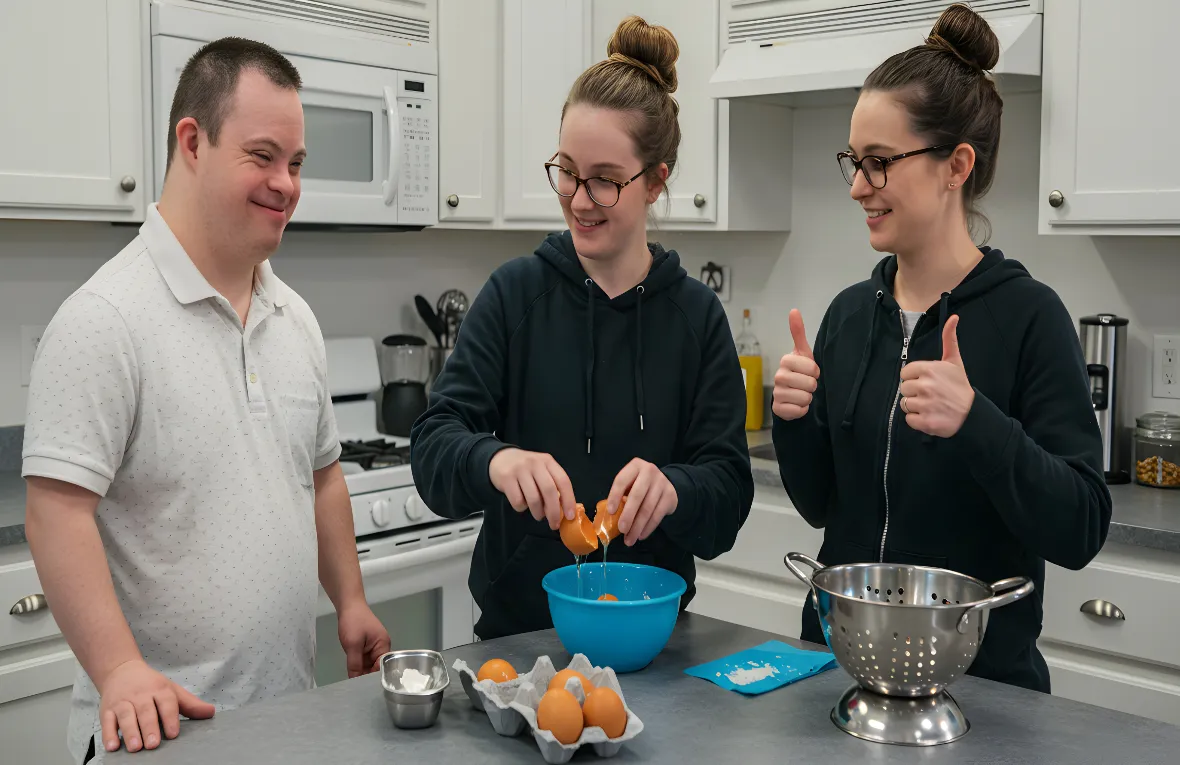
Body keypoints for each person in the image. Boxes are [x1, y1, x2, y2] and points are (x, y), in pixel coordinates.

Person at [22, 38, 390, 763]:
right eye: (263, 155)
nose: (286, 183)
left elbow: (321, 477)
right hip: (158, 733)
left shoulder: (296, 319)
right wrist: (119, 669)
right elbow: (54, 512)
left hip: (286, 718)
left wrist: (349, 600)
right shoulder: (105, 318)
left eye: (297, 163)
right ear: (192, 141)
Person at [771, 3, 1111, 693]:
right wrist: (794, 419)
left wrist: (977, 423)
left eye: (878, 163)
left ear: (956, 164)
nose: (857, 186)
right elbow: (819, 506)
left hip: (982, 691)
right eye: (853, 161)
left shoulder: (1030, 317)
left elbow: (1081, 525)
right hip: (836, 675)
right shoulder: (846, 317)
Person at [411, 16, 754, 640]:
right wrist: (496, 461)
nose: (578, 197)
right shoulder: (515, 294)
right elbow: (434, 446)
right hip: (518, 640)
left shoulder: (697, 319)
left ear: (656, 181)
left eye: (604, 179)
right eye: (567, 170)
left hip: (654, 642)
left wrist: (676, 490)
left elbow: (728, 498)